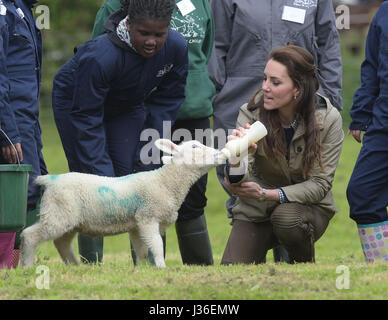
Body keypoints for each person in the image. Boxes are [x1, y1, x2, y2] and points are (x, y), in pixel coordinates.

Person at [51, 0, 189, 264]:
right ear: (129, 23)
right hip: (78, 104)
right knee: (96, 183)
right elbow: (87, 116)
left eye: (159, 34)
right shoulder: (101, 55)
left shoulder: (176, 47)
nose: (152, 41)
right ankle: (91, 264)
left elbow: (169, 99)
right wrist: (101, 174)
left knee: (136, 174)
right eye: (144, 33)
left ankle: (145, 263)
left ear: (168, 29)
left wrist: (149, 148)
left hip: (126, 105)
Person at [81, 0, 216, 266]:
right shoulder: (117, 5)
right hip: (142, 114)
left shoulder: (200, 2)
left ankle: (201, 270)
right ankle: (145, 267)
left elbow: (207, 49)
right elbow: (98, 56)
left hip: (193, 112)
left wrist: (200, 86)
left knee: (194, 197)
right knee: (143, 194)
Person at [208, 0, 343, 263]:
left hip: (302, 104)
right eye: (266, 80)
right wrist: (219, 97)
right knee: (233, 270)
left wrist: (329, 97)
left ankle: (292, 252)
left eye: (274, 81)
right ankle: (254, 231)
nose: (266, 86)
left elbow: (328, 43)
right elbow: (216, 45)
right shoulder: (247, 111)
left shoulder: (325, 117)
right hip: (238, 95)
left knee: (289, 217)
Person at [0, 0, 47, 269]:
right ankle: (7, 267)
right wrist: (7, 129)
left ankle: (15, 266)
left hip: (26, 119)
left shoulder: (23, 8)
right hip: (11, 120)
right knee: (13, 193)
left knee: (29, 189)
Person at [346, 3, 388, 262]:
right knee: (362, 193)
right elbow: (372, 66)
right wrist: (361, 114)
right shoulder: (384, 12)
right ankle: (381, 268)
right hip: (383, 122)